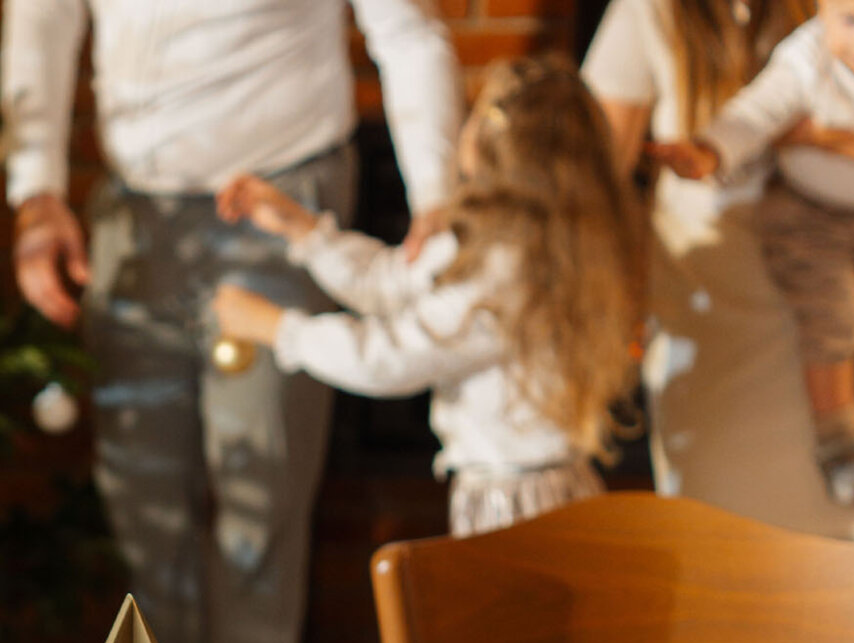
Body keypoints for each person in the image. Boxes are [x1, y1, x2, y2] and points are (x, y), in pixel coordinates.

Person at [0, 1, 462, 643]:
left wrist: (438, 195)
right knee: (140, 500)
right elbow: (42, 18)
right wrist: (36, 191)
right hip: (135, 210)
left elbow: (407, 32)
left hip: (280, 196)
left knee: (260, 502)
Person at [582, 0, 854, 643]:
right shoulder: (648, 15)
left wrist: (828, 138)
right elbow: (601, 170)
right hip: (713, 321)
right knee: (724, 567)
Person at [210, 58, 640, 538]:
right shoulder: (504, 246)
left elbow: (388, 356)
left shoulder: (506, 273)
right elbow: (389, 282)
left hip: (518, 507)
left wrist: (279, 329)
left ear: (490, 143)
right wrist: (305, 231)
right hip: (529, 494)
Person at [651, 0, 854, 507]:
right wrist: (709, 151)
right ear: (822, 13)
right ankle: (837, 444)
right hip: (811, 219)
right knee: (832, 318)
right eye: (849, 22)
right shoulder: (807, 55)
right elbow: (756, 112)